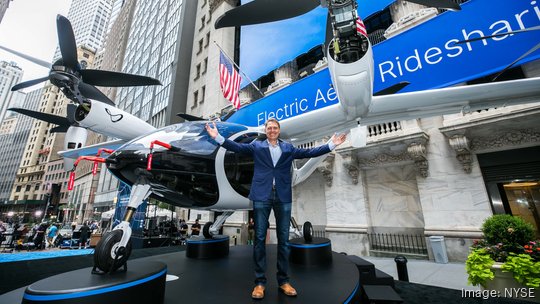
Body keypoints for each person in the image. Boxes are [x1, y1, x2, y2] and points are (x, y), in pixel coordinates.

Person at [205, 118, 346, 299]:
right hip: (261, 196)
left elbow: (308, 152)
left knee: (284, 240)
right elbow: (236, 147)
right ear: (266, 130)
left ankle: (284, 281)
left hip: (282, 196)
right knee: (260, 238)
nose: (272, 130)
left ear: (278, 130)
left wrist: (330, 145)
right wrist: (217, 137)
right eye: (269, 128)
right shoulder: (257, 146)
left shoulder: (288, 148)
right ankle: (259, 283)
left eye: (274, 128)